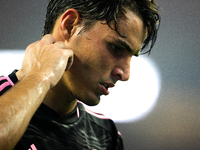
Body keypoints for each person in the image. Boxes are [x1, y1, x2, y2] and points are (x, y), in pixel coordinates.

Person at [0, 0, 160, 149]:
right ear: (69, 26)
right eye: (116, 48)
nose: (125, 74)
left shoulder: (106, 136)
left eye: (131, 55)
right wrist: (42, 76)